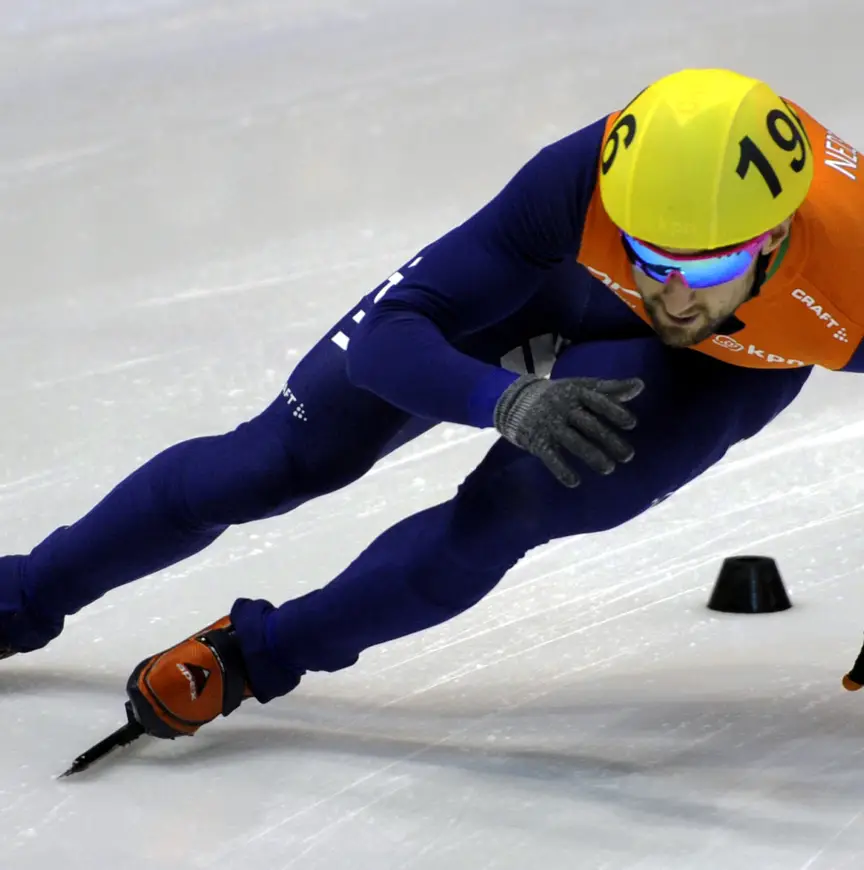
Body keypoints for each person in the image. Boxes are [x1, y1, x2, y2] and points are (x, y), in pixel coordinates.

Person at [3, 67, 862, 741]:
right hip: (564, 285)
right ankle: (21, 596)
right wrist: (503, 399)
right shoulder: (584, 178)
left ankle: (259, 655)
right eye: (649, 254)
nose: (670, 294)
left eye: (709, 266)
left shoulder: (854, 268)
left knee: (514, 505)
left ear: (776, 234)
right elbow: (389, 338)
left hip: (724, 367)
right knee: (277, 458)